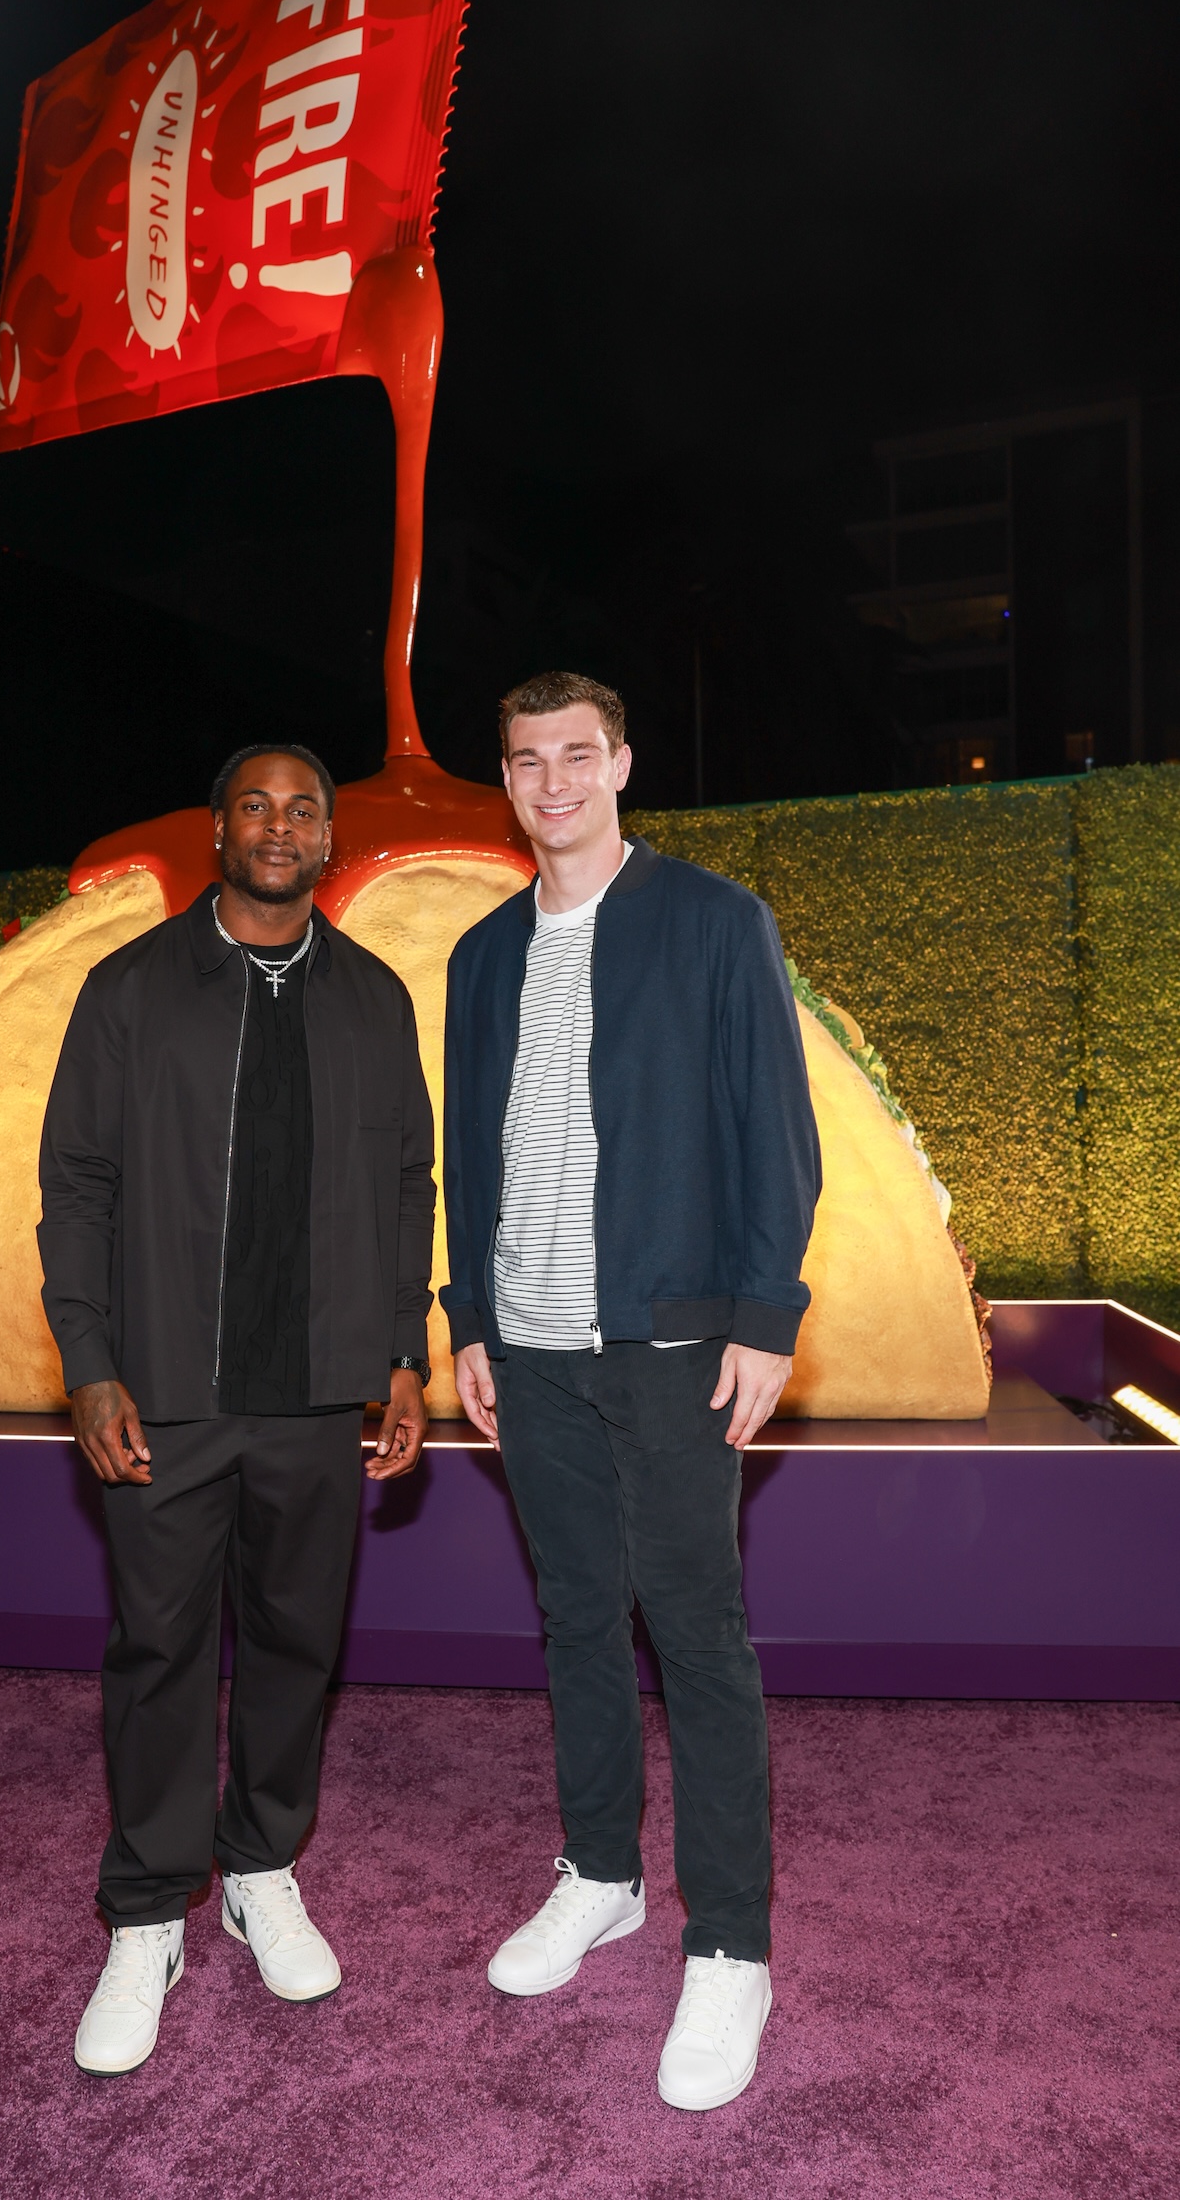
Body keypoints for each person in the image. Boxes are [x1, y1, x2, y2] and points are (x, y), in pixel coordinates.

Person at [441, 671, 820, 2112]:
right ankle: (599, 1872)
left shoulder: (718, 924)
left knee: (700, 1637)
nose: (554, 781)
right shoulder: (482, 955)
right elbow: (469, 1153)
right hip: (526, 1353)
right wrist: (468, 1316)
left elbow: (774, 1137)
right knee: (576, 1618)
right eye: (527, 759)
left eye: (577, 755)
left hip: (669, 1349)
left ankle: (731, 1943)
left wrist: (767, 1318)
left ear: (623, 765)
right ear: (509, 778)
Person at [38, 744, 436, 2077]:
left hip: (321, 1394)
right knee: (156, 1648)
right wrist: (90, 1360)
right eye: (255, 804)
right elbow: (78, 1182)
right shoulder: (130, 990)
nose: (280, 824)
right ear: (218, 827)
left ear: (330, 836)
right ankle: (148, 1907)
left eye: (304, 806)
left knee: (293, 1644)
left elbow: (405, 1187)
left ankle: (263, 1862)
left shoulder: (376, 999)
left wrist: (399, 1354)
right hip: (166, 1392)